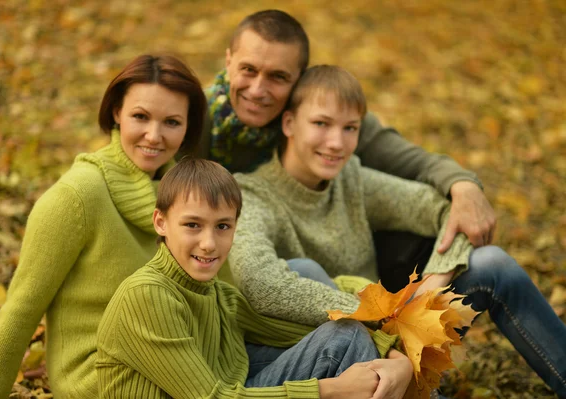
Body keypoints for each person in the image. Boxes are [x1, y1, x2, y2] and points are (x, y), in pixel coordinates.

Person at [227, 64, 566, 397]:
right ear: (289, 123)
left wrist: (432, 282)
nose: (336, 142)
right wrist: (382, 316)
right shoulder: (253, 195)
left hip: (396, 339)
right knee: (304, 270)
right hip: (325, 361)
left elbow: (450, 211)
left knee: (493, 263)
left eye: (350, 128)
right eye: (321, 124)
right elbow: (261, 284)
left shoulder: (352, 180)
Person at [194, 10, 496, 291]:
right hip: (241, 265)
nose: (258, 90)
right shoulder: (195, 119)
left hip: (353, 273)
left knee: (486, 260)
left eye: (278, 77)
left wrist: (463, 185)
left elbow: (411, 161)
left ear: (299, 79)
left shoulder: (326, 122)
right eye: (248, 70)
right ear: (229, 61)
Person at [0, 54, 207, 399]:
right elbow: (21, 309)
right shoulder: (77, 196)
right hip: (104, 380)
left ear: (188, 128)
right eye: (140, 116)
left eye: (171, 122)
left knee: (311, 350)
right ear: (116, 113)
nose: (154, 136)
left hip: (183, 362)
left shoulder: (189, 194)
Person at [96, 157, 414, 399]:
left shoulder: (216, 293)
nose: (208, 243)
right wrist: (332, 389)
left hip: (237, 385)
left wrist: (398, 358)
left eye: (222, 226)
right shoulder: (146, 295)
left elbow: (302, 331)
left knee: (345, 336)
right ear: (161, 222)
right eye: (192, 225)